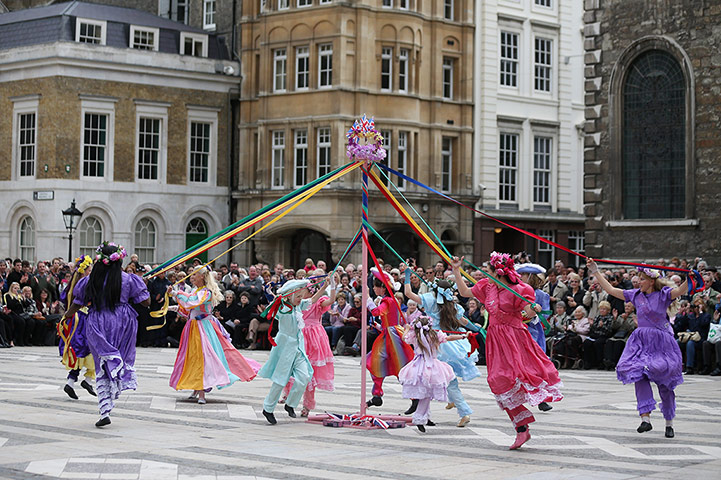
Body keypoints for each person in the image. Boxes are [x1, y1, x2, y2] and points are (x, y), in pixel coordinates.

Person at [452, 253, 563, 450]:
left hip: (514, 337)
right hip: (495, 339)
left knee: (518, 376)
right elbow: (464, 292)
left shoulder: (520, 289)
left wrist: (533, 308)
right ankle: (522, 427)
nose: (485, 274)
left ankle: (523, 425)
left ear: (499, 272)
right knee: (497, 381)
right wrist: (455, 270)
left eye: (489, 271)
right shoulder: (487, 286)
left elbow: (527, 313)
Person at [588, 259, 687, 438]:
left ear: (651, 281)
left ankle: (669, 421)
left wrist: (690, 276)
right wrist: (596, 271)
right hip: (641, 341)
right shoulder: (635, 295)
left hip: (661, 342)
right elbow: (611, 290)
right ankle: (645, 418)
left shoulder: (663, 294)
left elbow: (681, 290)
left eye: (641, 279)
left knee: (664, 383)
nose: (638, 281)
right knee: (638, 373)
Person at [61, 242, 150, 427]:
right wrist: (141, 285)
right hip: (123, 322)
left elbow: (78, 302)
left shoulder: (90, 280)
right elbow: (146, 302)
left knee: (101, 362)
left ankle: (104, 408)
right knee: (118, 360)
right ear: (119, 260)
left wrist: (66, 316)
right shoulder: (128, 279)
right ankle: (111, 396)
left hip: (97, 322)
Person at [168, 266, 260, 403]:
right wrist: (175, 307)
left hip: (203, 328)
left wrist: (176, 294)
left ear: (202, 276)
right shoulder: (197, 291)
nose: (192, 277)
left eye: (195, 275)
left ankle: (202, 392)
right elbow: (190, 308)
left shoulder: (206, 292)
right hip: (193, 327)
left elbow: (193, 301)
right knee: (193, 357)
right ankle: (196, 388)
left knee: (204, 358)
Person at [404, 270, 481, 427]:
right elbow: (464, 321)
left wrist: (407, 276)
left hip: (437, 343)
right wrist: (477, 330)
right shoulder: (453, 305)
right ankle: (452, 401)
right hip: (453, 343)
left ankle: (464, 411)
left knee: (448, 380)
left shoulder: (431, 300)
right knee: (445, 377)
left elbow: (408, 293)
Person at [259, 278, 326, 425]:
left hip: (298, 347)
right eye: (298, 296)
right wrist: (278, 296)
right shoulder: (283, 308)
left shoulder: (298, 306)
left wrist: (324, 287)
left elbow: (313, 300)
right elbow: (273, 307)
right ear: (289, 296)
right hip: (285, 347)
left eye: (302, 296)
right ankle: (268, 408)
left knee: (305, 375)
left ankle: (290, 404)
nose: (301, 299)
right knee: (280, 379)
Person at [281, 272, 340, 417]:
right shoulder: (298, 303)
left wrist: (332, 284)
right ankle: (288, 396)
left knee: (310, 373)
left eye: (304, 290)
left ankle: (307, 405)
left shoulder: (318, 301)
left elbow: (331, 300)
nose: (302, 293)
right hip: (298, 335)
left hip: (314, 338)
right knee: (292, 368)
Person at [398, 316, 464, 432]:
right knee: (426, 395)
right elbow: (449, 338)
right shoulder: (434, 336)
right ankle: (419, 418)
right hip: (431, 366)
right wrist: (463, 336)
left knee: (426, 394)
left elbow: (404, 337)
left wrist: (407, 329)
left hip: (417, 366)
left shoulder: (415, 336)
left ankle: (425, 417)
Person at [364, 268, 414, 410]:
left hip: (393, 336)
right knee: (375, 362)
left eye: (375, 286)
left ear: (382, 287)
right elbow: (388, 321)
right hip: (388, 334)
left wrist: (367, 299)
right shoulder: (388, 300)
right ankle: (377, 395)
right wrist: (379, 326)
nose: (374, 288)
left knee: (399, 366)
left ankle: (414, 397)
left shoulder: (388, 300)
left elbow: (375, 311)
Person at [515, 263, 553, 411]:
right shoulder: (514, 291)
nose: (520, 277)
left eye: (523, 275)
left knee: (537, 365)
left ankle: (541, 398)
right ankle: (516, 396)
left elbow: (545, 315)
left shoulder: (542, 295)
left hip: (534, 333)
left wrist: (532, 316)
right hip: (517, 332)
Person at [58, 255, 96, 400]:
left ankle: (72, 382)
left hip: (76, 318)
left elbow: (64, 298)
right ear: (83, 271)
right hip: (83, 319)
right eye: (89, 270)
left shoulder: (73, 285)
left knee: (81, 351)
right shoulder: (84, 284)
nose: (90, 273)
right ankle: (86, 380)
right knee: (88, 349)